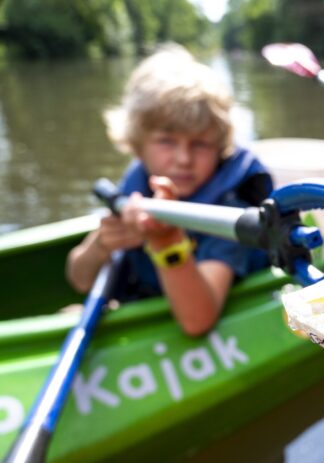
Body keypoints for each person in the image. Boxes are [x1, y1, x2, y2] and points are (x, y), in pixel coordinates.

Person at [66, 44, 272, 336]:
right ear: (138, 143)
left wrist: (166, 242)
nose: (183, 159)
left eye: (200, 144)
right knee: (68, 312)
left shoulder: (230, 208)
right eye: (166, 141)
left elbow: (197, 322)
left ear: (219, 146)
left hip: (202, 314)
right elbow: (80, 279)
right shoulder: (136, 187)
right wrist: (101, 245)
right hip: (150, 302)